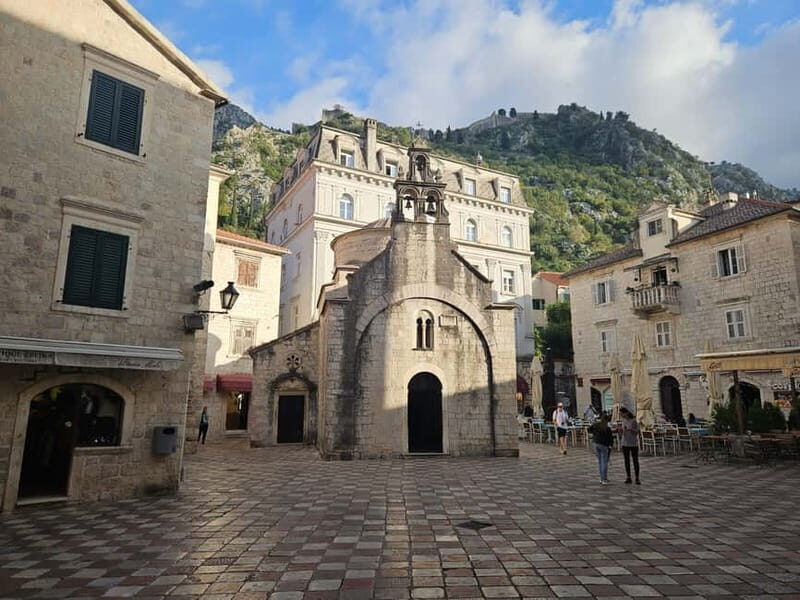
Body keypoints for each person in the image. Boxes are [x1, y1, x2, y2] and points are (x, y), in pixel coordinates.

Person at [589, 414, 614, 484]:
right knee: (604, 462)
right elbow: (610, 438)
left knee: (600, 462)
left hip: (595, 443)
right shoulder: (607, 428)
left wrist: (594, 434)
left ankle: (601, 478)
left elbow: (589, 429)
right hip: (603, 445)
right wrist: (610, 445)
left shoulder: (596, 424)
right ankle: (604, 479)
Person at [620, 407, 640, 484]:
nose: (621, 415)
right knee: (626, 461)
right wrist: (621, 430)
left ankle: (637, 477)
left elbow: (636, 432)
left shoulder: (634, 421)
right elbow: (622, 432)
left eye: (621, 413)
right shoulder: (623, 421)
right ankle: (628, 477)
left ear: (626, 413)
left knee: (635, 460)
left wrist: (631, 430)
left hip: (633, 443)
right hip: (625, 443)